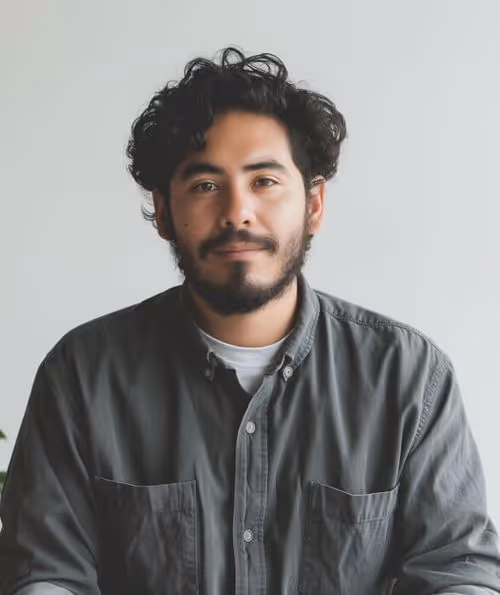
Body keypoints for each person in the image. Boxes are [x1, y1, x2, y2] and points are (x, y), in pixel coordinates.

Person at [0, 46, 499, 595]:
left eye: (264, 181)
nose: (237, 211)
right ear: (164, 212)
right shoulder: (82, 375)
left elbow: (457, 569)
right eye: (205, 185)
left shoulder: (408, 378)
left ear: (313, 206)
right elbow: (46, 573)